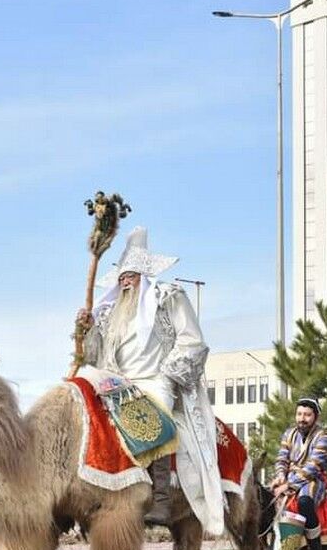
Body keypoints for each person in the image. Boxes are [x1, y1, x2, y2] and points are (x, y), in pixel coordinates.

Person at [75, 226, 225, 533]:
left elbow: (192, 341)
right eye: (121, 277)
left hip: (157, 376)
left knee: (152, 413)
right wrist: (86, 330)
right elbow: (93, 355)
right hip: (119, 380)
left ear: (143, 275)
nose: (124, 281)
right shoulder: (108, 313)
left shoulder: (168, 298)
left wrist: (169, 372)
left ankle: (160, 498)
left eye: (130, 275)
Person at [272, 398, 327, 550]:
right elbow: (282, 458)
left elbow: (314, 466)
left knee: (305, 502)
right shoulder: (289, 434)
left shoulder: (324, 436)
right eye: (299, 414)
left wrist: (290, 485)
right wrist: (280, 476)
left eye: (307, 415)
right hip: (289, 477)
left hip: (313, 479)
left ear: (315, 417)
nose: (302, 418)